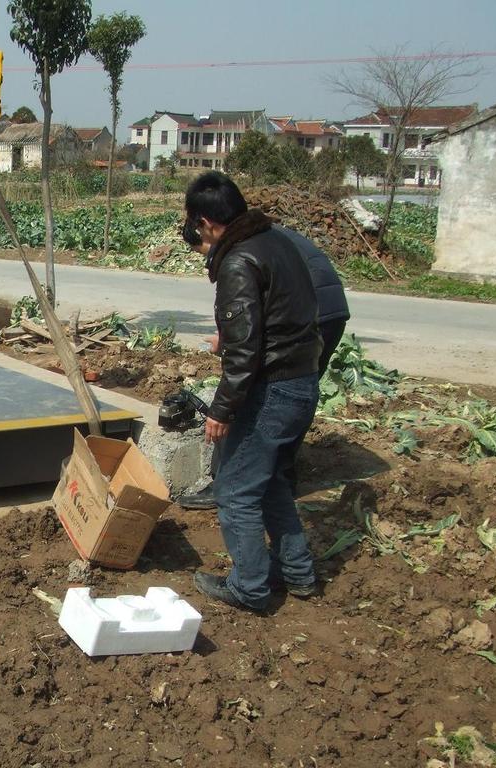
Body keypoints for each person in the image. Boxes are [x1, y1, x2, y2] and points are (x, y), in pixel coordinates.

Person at [184, 172, 323, 613]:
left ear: (205, 222)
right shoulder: (276, 241)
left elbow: (244, 356)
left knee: (235, 489)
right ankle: (298, 572)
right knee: (270, 484)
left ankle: (250, 588)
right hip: (302, 381)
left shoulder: (238, 261)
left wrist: (221, 411)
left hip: (273, 390)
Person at [178, 222, 350, 510]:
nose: (206, 258)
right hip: (329, 311)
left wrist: (232, 342)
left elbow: (244, 342)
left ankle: (225, 482)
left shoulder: (239, 247)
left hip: (306, 313)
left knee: (249, 394)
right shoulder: (262, 231)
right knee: (292, 395)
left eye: (202, 250)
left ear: (208, 230)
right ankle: (279, 480)